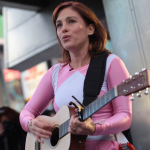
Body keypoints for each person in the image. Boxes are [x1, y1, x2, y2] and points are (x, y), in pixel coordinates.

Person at [19, 1, 132, 150]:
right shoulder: (54, 73)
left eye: (71, 21)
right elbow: (27, 112)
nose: (63, 29)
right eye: (59, 25)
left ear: (90, 29)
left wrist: (95, 128)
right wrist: (31, 124)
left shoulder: (111, 63)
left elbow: (125, 116)